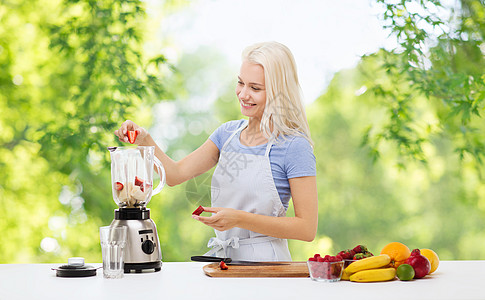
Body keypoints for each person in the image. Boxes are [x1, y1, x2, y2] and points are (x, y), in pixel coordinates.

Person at [115, 41, 318, 261]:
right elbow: (174, 175)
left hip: (267, 265)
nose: (242, 94)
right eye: (240, 83)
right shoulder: (227, 134)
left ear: (279, 92)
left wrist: (239, 219)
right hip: (224, 262)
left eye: (255, 88)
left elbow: (306, 229)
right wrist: (144, 139)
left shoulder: (294, 146)